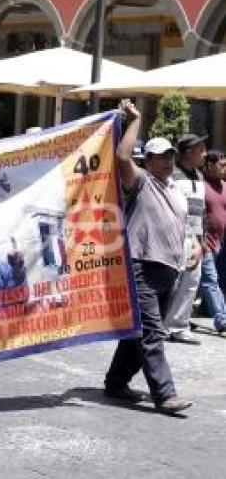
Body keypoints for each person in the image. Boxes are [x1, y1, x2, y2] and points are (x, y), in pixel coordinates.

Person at [103, 100, 192, 415]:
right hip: (142, 265)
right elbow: (122, 156)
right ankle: (165, 394)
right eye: (161, 156)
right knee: (153, 331)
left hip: (170, 269)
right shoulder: (140, 182)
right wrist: (136, 120)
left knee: (137, 330)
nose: (168, 161)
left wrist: (193, 247)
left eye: (171, 155)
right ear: (149, 160)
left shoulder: (175, 189)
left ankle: (115, 382)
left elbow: (184, 224)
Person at [165, 133, 206, 345]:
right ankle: (162, 325)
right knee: (170, 282)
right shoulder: (171, 174)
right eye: (201, 150)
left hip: (195, 240)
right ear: (188, 151)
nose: (204, 154)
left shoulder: (199, 176)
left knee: (191, 282)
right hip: (174, 237)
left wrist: (201, 241)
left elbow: (202, 212)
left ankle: (178, 326)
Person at [197, 151, 226, 334]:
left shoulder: (224, 186)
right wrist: (201, 240)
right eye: (221, 165)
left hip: (220, 244)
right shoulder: (199, 186)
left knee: (198, 283)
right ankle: (222, 319)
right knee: (210, 280)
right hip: (203, 242)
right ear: (208, 165)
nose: (225, 169)